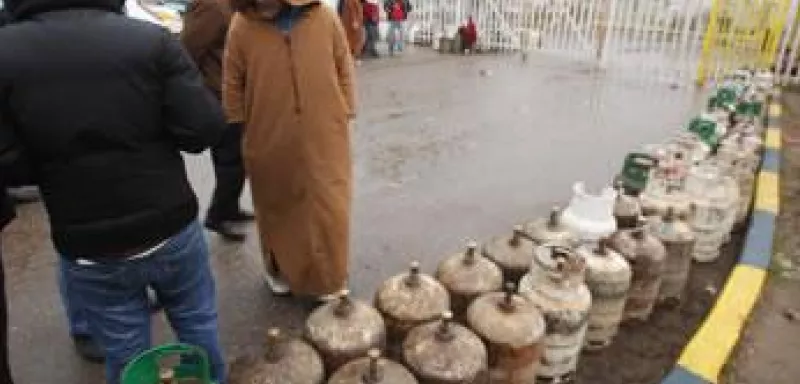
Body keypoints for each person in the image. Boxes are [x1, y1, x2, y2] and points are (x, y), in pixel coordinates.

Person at [0, 1, 228, 383]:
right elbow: (202, 129)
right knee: (198, 326)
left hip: (88, 242)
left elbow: (11, 164)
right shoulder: (148, 40)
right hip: (169, 222)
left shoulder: (6, 53)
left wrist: (54, 166)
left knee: (125, 353)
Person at [224, 0, 355, 299]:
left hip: (325, 130)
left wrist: (345, 109)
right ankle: (279, 269)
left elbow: (343, 63)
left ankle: (330, 278)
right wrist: (238, 123)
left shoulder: (323, 16)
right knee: (276, 204)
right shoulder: (242, 25)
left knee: (329, 204)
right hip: (267, 131)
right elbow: (232, 80)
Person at [181, 0, 254, 242]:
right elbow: (188, 49)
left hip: (235, 93)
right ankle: (218, 215)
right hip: (219, 95)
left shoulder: (230, 4)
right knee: (230, 161)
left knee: (238, 160)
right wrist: (201, 92)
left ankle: (229, 208)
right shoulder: (211, 6)